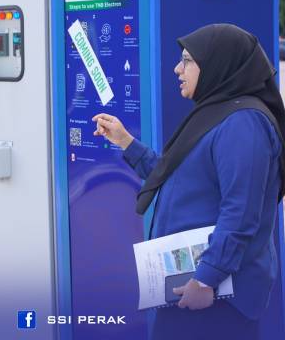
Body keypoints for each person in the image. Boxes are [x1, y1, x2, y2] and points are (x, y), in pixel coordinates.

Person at [93, 24, 285, 340]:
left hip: (219, 297)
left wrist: (207, 279)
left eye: (187, 60)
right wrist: (126, 142)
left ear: (217, 63)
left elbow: (241, 213)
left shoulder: (244, 124)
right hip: (194, 285)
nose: (177, 69)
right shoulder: (217, 112)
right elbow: (180, 176)